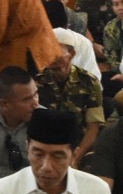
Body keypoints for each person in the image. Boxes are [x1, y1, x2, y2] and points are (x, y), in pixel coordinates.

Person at [34, 39, 104, 168]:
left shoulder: (89, 81)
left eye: (55, 52)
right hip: (44, 144)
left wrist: (75, 158)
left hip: (78, 145)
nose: (50, 56)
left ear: (71, 54)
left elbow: (92, 128)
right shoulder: (36, 80)